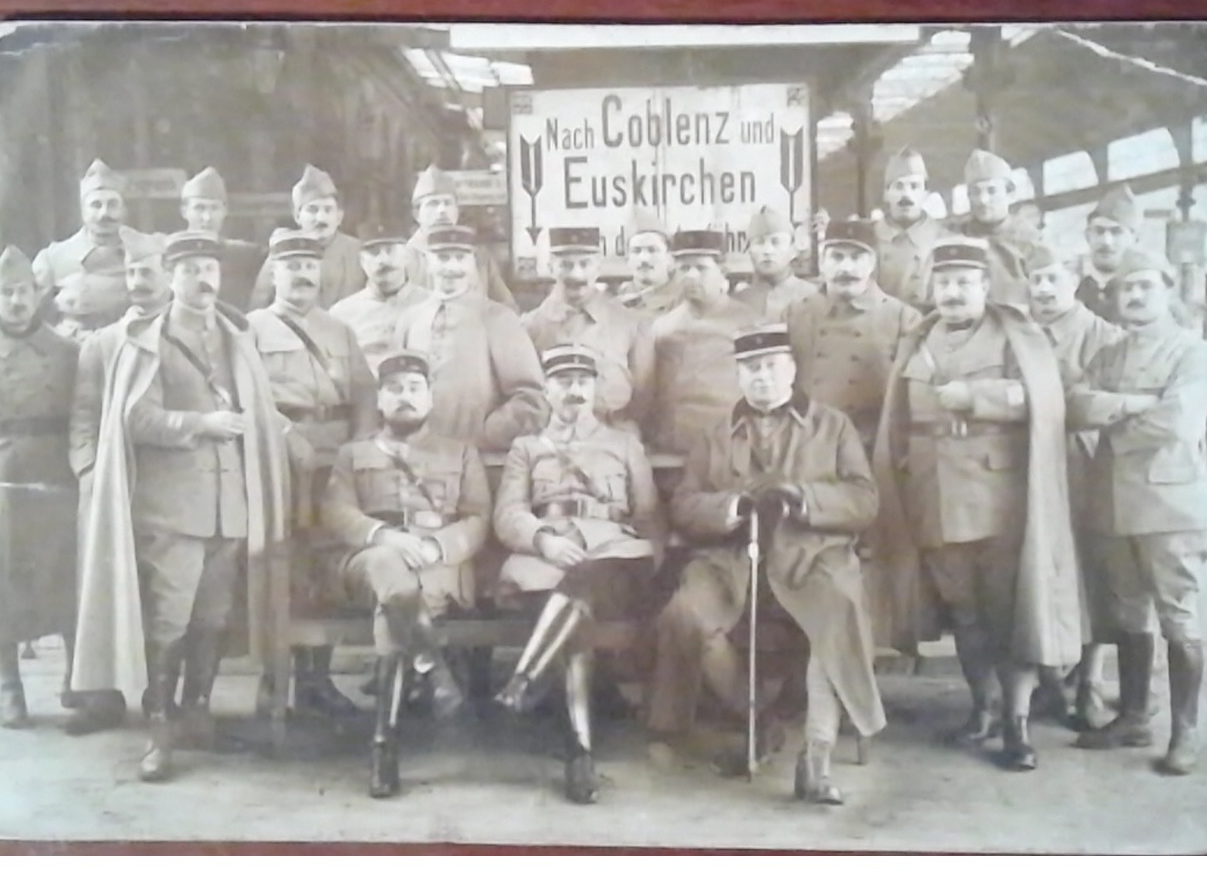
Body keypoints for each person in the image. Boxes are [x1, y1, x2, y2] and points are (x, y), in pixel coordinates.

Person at [68, 229, 289, 783]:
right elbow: (135, 419)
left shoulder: (238, 335)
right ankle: (159, 729)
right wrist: (200, 424)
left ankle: (198, 715)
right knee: (168, 619)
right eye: (189, 269)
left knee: (213, 618)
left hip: (228, 504)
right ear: (170, 277)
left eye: (210, 267)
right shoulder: (150, 339)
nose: (203, 278)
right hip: (173, 509)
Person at [648, 325, 886, 804]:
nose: (762, 378)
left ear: (792, 370)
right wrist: (730, 509)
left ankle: (816, 755)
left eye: (771, 367)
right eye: (751, 369)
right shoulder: (715, 435)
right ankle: (756, 720)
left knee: (835, 610)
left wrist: (804, 498)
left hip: (810, 555)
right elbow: (685, 503)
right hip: (731, 558)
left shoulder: (832, 426)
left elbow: (864, 499)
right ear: (738, 376)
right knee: (686, 615)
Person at [871, 235, 1081, 772]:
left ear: (986, 287)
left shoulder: (1015, 335)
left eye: (965, 282)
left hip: (999, 503)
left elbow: (1042, 398)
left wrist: (976, 397)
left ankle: (1017, 723)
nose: (953, 292)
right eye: (944, 283)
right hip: (933, 500)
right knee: (965, 615)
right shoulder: (917, 338)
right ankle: (981, 709)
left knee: (1009, 612)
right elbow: (899, 417)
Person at [1068, 249, 1207, 776]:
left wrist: (1116, 416)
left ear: (1167, 290)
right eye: (1125, 289)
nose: (1133, 296)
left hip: (1172, 506)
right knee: (1129, 612)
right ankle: (1134, 716)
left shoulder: (1194, 353)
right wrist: (1134, 403)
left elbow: (1176, 423)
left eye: (1145, 287)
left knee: (1177, 615)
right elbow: (1077, 404)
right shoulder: (1110, 355)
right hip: (1113, 504)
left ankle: (1185, 732)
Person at [491, 344, 665, 804]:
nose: (574, 391)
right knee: (572, 627)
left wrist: (652, 565)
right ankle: (580, 753)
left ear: (595, 389)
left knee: (583, 587)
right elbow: (507, 513)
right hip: (546, 557)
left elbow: (647, 514)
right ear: (547, 390)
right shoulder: (526, 448)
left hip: (613, 553)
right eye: (563, 382)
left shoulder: (625, 443)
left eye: (583, 382)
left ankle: (524, 680)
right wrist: (545, 540)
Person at [322, 350, 492, 798]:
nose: (405, 397)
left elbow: (478, 517)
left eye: (415, 389)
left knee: (395, 605)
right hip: (370, 560)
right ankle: (433, 670)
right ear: (379, 401)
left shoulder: (461, 453)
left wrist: (438, 545)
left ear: (431, 398)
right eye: (394, 389)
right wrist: (384, 536)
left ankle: (384, 744)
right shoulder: (352, 454)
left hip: (439, 564)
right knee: (389, 572)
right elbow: (336, 511)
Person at [247, 227, 379, 722]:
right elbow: (242, 395)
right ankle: (273, 679)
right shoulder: (252, 328)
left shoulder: (339, 329)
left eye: (308, 265)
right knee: (281, 560)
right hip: (279, 460)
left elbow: (365, 392)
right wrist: (284, 435)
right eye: (290, 266)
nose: (301, 274)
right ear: (274, 272)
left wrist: (360, 446)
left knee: (328, 560)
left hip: (335, 459)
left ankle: (316, 679)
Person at [0, 246, 80, 730]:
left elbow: (81, 414)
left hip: (53, 471)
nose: (15, 301)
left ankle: (76, 678)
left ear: (38, 294)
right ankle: (11, 687)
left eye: (23, 291)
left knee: (64, 576)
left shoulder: (67, 351)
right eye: (6, 293)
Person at [63, 240, 173, 736]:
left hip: (168, 483)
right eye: (132, 271)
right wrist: (88, 469)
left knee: (163, 590)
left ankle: (160, 695)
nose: (139, 279)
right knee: (104, 586)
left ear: (169, 276)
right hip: (112, 483)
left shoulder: (184, 335)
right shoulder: (103, 341)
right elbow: (84, 413)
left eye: (149, 270)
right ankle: (103, 696)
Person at [1026, 240, 1127, 730]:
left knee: (1090, 575)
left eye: (1053, 279)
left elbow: (1108, 406)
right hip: (1031, 470)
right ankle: (1049, 683)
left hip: (1083, 470)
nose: (1043, 289)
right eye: (1036, 280)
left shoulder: (1104, 336)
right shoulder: (1020, 335)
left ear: (1074, 281)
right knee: (1041, 573)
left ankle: (1089, 683)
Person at [395, 224, 548, 451]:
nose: (452, 267)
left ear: (472, 263)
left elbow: (531, 398)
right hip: (418, 459)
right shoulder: (410, 319)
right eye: (443, 257)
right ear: (428, 263)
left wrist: (488, 435)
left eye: (460, 257)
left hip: (481, 459)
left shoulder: (498, 318)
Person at [785, 219, 922, 455]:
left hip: (873, 448)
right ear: (823, 262)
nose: (846, 268)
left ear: (872, 264)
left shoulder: (902, 318)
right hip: (807, 446)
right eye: (837, 257)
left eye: (857, 258)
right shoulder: (795, 314)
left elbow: (912, 399)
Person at [521, 227, 655, 434]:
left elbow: (644, 393)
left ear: (598, 268)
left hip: (614, 437)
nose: (576, 274)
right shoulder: (529, 326)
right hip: (552, 439)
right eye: (566, 265)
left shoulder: (630, 322)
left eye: (584, 264)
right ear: (550, 268)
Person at [646, 230, 760, 455]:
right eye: (684, 268)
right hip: (673, 446)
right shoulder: (662, 326)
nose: (691, 276)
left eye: (701, 268)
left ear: (723, 272)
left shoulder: (751, 324)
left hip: (729, 447)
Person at [32, 159, 165, 337]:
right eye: (96, 205)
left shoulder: (148, 247)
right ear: (83, 211)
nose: (104, 214)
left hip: (129, 341)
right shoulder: (54, 257)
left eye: (112, 205)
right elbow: (32, 311)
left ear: (124, 209)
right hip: (74, 346)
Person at [249, 164, 365, 310]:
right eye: (312, 210)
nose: (321, 218)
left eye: (328, 210)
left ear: (339, 216)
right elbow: (259, 304)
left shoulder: (358, 251)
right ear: (297, 216)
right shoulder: (283, 252)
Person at [404, 165, 518, 310]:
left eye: (448, 203)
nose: (442, 211)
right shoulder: (404, 258)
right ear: (417, 214)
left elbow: (507, 308)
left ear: (457, 211)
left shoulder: (478, 257)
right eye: (433, 204)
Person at [329, 222, 430, 376]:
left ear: (406, 256)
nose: (383, 260)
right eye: (373, 253)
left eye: (390, 250)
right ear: (362, 262)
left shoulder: (431, 305)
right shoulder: (341, 314)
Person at [944, 149, 1039, 306]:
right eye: (975, 192)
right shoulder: (956, 237)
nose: (983, 200)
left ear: (1010, 194)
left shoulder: (1030, 239)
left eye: (992, 190)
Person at [179, 166, 265, 312]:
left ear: (224, 211)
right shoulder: (170, 251)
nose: (207, 217)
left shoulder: (243, 255)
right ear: (184, 211)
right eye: (199, 208)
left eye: (214, 208)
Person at [873, 147, 949, 310]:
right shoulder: (870, 238)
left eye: (914, 186)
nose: (906, 195)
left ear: (925, 193)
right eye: (899, 186)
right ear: (886, 193)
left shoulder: (944, 239)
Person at [732, 207, 820, 321]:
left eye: (776, 242)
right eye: (759, 242)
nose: (767, 251)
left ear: (792, 250)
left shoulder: (813, 296)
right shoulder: (739, 301)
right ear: (749, 251)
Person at [1079, 185, 1143, 322]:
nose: (1106, 242)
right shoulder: (1071, 297)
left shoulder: (1147, 300)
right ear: (1087, 236)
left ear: (1135, 238)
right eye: (1099, 231)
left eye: (1116, 232)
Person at [616, 211, 684, 318]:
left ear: (670, 258)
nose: (644, 258)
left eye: (652, 250)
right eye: (636, 251)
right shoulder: (614, 307)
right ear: (627, 260)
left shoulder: (685, 302)